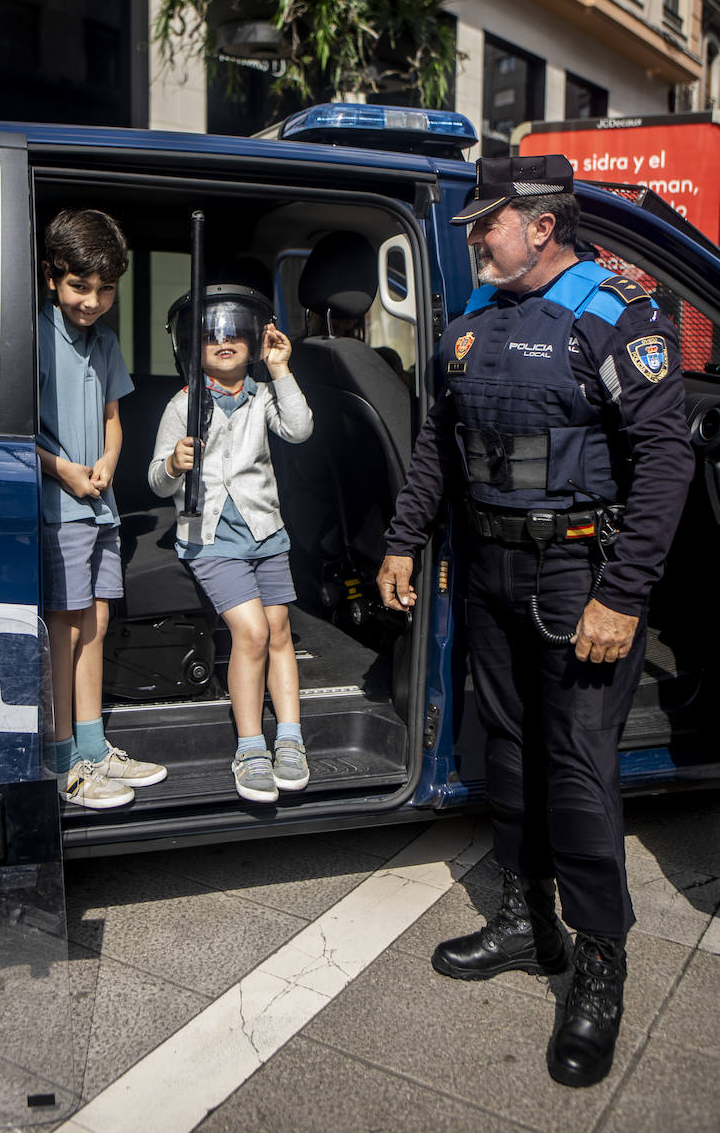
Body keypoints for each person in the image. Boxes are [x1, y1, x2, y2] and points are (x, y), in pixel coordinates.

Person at [377, 155, 694, 1089]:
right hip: (488, 568)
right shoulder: (474, 322)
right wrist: (405, 538)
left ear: (542, 226)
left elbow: (666, 466)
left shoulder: (614, 318)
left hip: (577, 575)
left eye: (488, 223)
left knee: (578, 768)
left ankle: (600, 969)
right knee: (507, 750)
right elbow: (441, 440)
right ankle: (526, 925)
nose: (473, 235)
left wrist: (623, 594)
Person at [148, 285, 314, 804]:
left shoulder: (263, 396)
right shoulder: (182, 406)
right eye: (209, 335)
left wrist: (281, 369)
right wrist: (175, 464)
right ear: (190, 348)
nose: (223, 341)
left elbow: (300, 428)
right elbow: (156, 480)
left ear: (256, 341)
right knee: (252, 631)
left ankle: (289, 738)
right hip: (211, 539)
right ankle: (249, 746)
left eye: (236, 333)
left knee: (280, 630)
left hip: (265, 532)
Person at [38, 207, 166, 808]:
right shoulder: (34, 337)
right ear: (50, 277)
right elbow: (19, 432)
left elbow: (115, 422)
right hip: (57, 503)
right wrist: (61, 468)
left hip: (101, 504)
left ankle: (93, 747)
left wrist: (110, 462)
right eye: (79, 286)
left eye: (106, 289)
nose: (92, 301)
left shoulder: (106, 342)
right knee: (63, 628)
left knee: (97, 619)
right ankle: (63, 759)